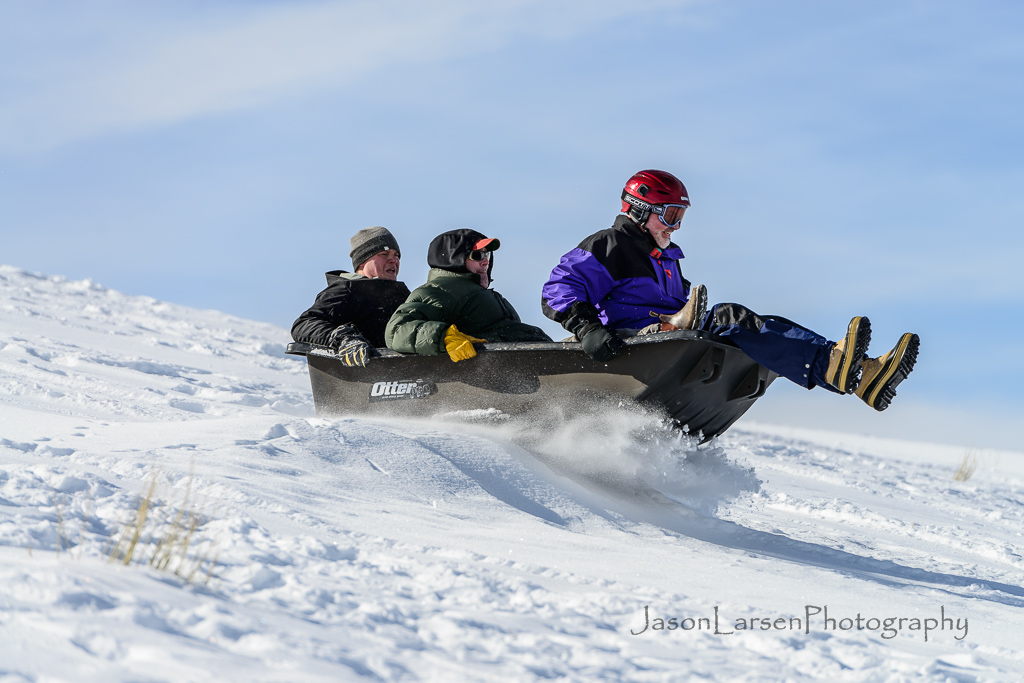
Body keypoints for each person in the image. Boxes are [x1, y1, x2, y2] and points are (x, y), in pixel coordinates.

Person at [541, 169, 919, 411]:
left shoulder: (664, 257)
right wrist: (588, 329)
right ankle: (833, 366)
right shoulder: (611, 244)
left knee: (754, 325)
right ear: (640, 209)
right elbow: (559, 287)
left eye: (680, 217)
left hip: (666, 342)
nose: (675, 226)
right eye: (670, 215)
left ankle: (860, 375)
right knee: (728, 317)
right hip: (631, 345)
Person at [386, 229, 552, 362]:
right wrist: (445, 337)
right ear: (453, 258)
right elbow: (397, 330)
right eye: (477, 255)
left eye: (487, 254)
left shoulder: (481, 294)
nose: (485, 261)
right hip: (484, 372)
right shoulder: (440, 291)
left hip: (527, 363)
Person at [291, 226, 410, 367]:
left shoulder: (404, 296)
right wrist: (343, 339)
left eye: (396, 255)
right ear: (362, 261)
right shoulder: (348, 290)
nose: (393, 260)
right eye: (384, 254)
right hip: (361, 375)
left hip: (407, 373)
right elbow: (304, 324)